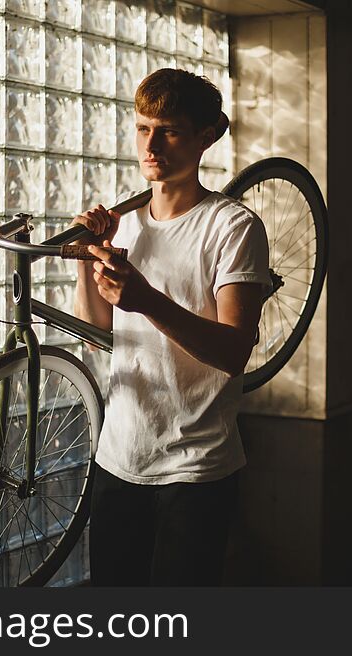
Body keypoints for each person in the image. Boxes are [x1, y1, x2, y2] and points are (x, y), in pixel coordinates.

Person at [71, 68, 271, 586]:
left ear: (207, 137)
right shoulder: (127, 223)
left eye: (169, 130)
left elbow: (233, 351)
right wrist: (87, 257)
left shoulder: (232, 226)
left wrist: (145, 299)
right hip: (119, 456)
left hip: (196, 467)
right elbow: (97, 328)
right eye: (142, 128)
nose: (151, 144)